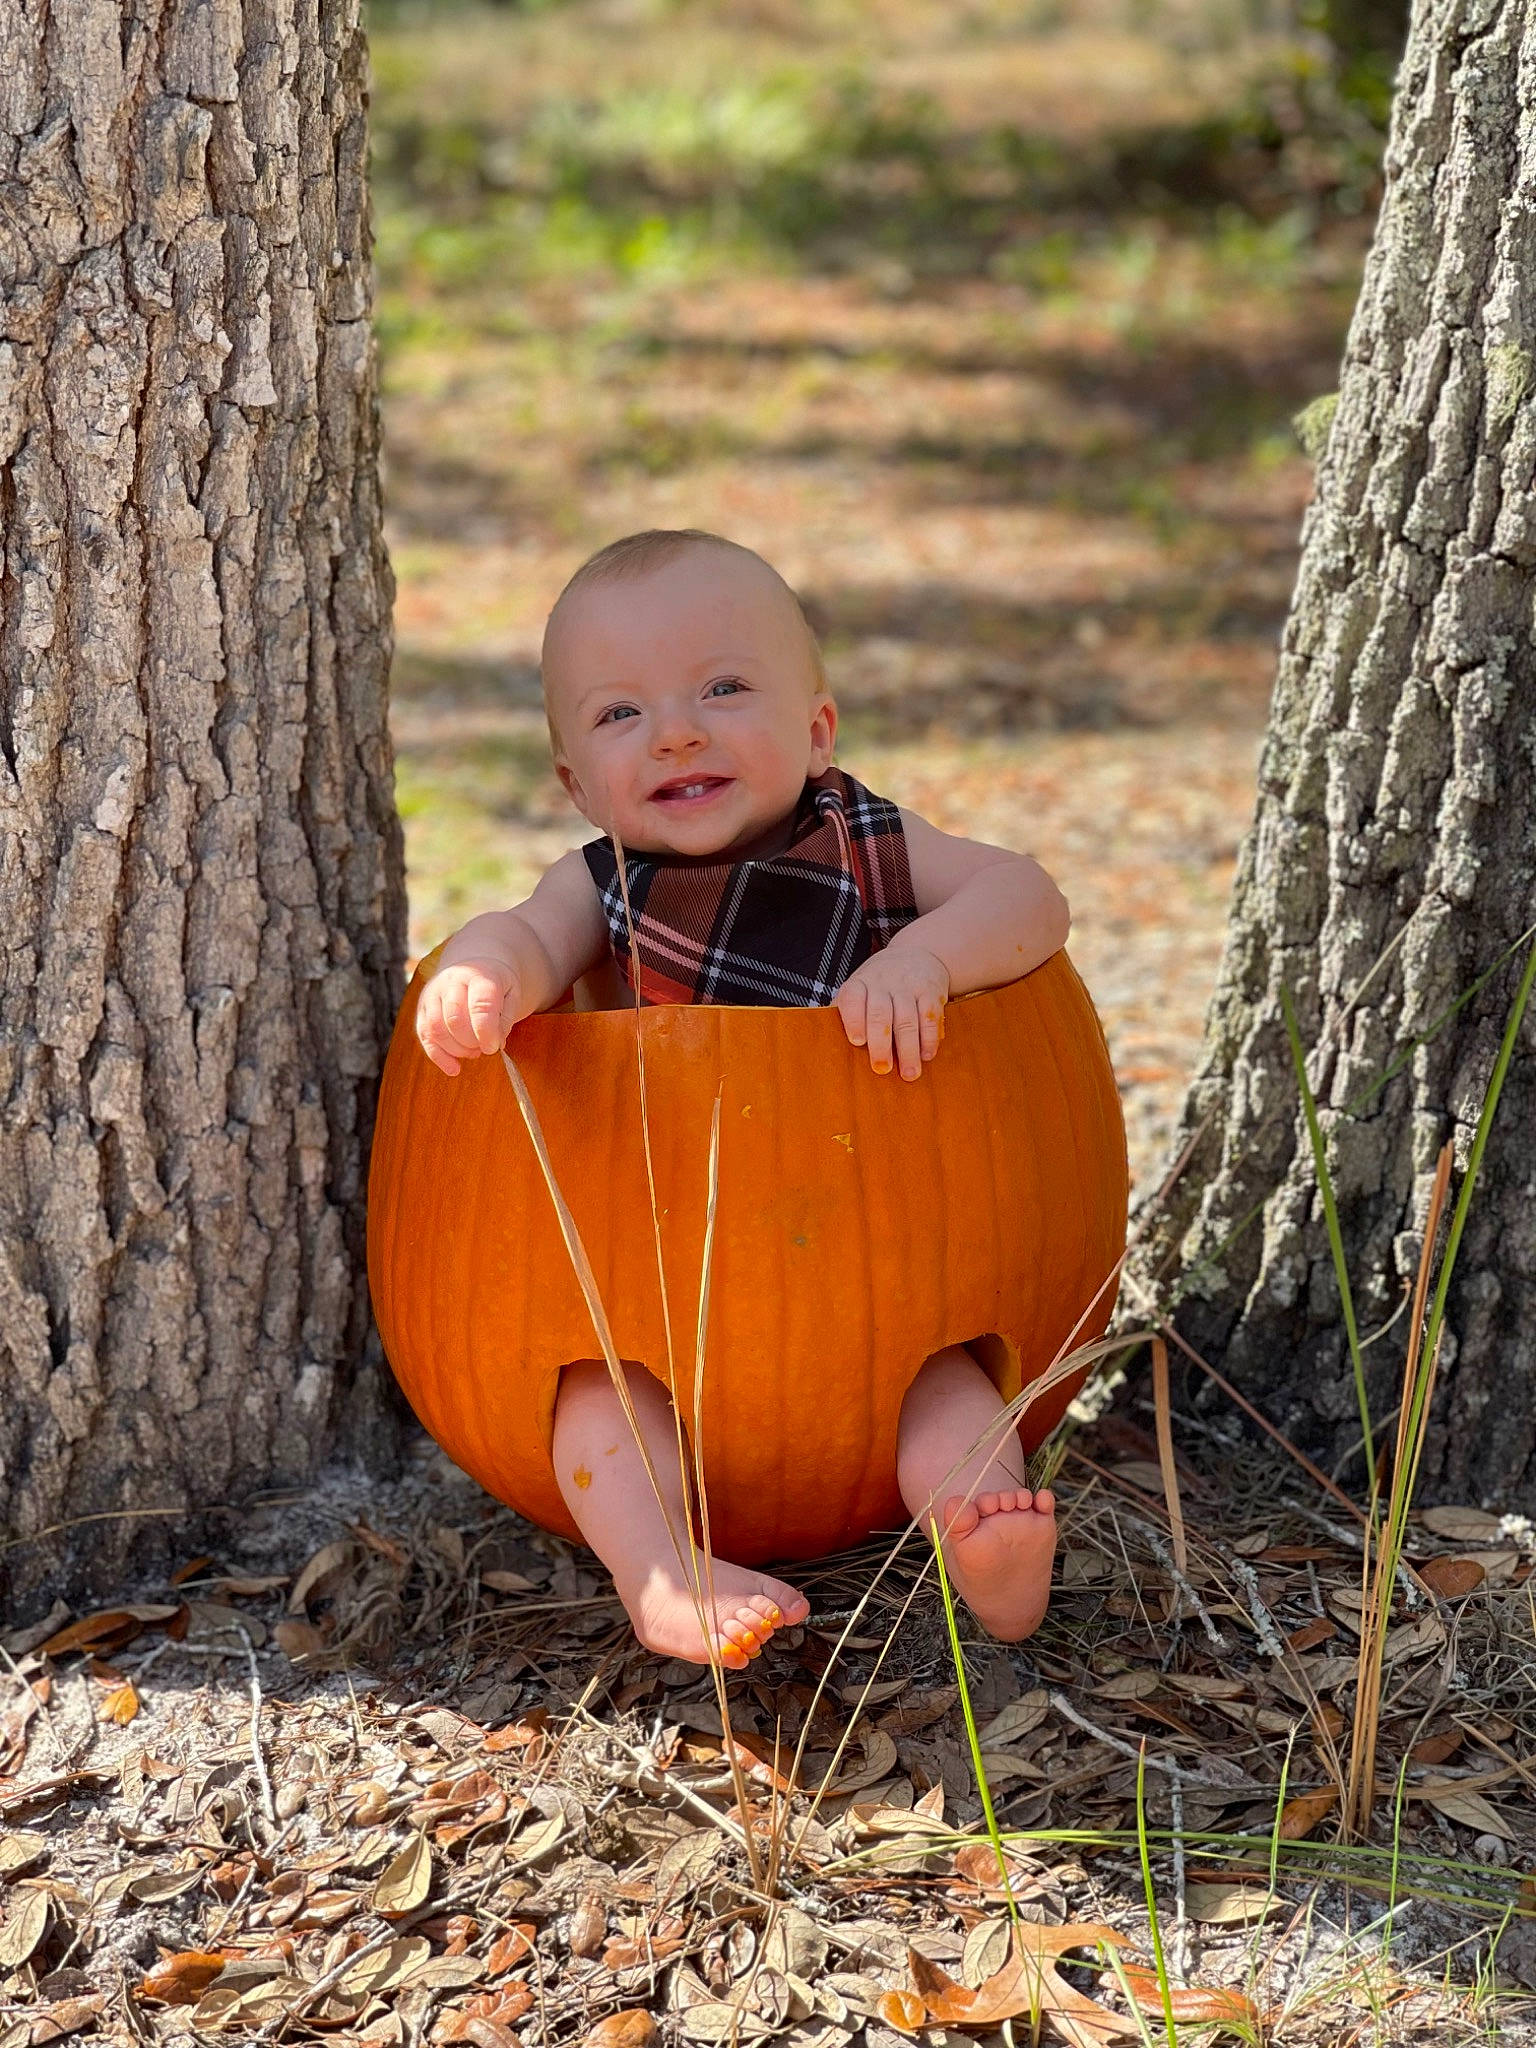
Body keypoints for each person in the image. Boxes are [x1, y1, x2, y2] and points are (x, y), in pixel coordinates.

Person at [415, 529, 1072, 1668]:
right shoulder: (602, 884)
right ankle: (660, 1569)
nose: (676, 729)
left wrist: (927, 960)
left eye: (723, 687)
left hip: (879, 1263)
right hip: (653, 1284)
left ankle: (982, 1534)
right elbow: (525, 934)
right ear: (576, 780)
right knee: (593, 1404)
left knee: (947, 1389)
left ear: (818, 729)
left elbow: (1028, 895)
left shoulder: (871, 849)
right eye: (621, 714)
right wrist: (488, 974)